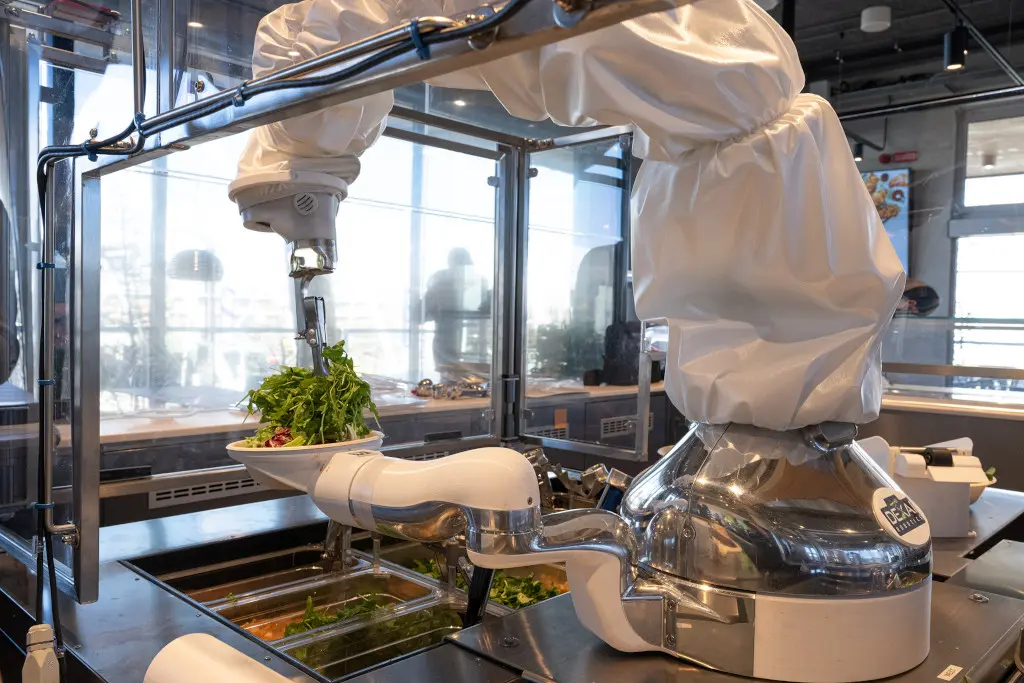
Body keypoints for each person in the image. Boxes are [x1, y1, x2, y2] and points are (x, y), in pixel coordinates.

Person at [422, 248, 490, 381]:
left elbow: (423, 314)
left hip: (449, 343)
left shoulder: (439, 280)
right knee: (472, 383)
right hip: (471, 346)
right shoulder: (480, 281)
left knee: (450, 380)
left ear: (450, 262)